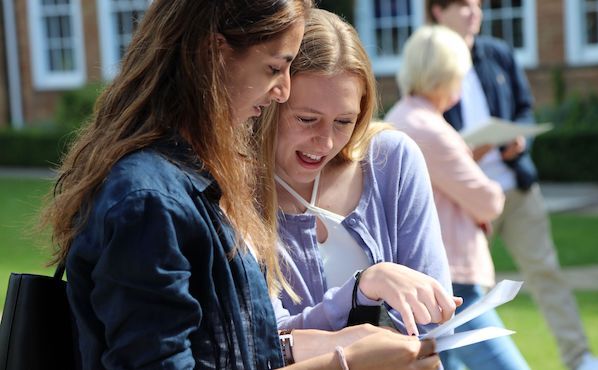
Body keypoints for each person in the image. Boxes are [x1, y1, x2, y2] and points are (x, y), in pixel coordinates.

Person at [39, 0, 442, 369]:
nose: (282, 89)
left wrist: (344, 340)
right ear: (216, 56)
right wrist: (345, 361)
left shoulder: (199, 179)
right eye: (273, 68)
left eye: (344, 121)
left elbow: (242, 348)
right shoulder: (150, 199)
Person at [426, 1, 598, 370]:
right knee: (465, 290)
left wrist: (520, 140)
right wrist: (464, 154)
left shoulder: (497, 53)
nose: (474, 12)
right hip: (465, 200)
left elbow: (525, 107)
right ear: (437, 11)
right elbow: (428, 131)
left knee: (546, 273)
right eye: (464, 5)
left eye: (477, 5)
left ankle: (581, 359)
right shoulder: (430, 62)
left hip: (516, 186)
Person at [254, 8, 459, 338]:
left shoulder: (391, 159)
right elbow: (267, 341)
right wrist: (364, 289)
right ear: (269, 101)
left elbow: (433, 319)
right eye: (306, 119)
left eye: (344, 122)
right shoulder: (234, 184)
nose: (325, 141)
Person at [384, 24, 529, 370]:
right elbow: (488, 200)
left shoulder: (402, 118)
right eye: (460, 75)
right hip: (451, 277)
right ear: (445, 75)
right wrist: (475, 164)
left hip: (429, 273)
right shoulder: (428, 128)